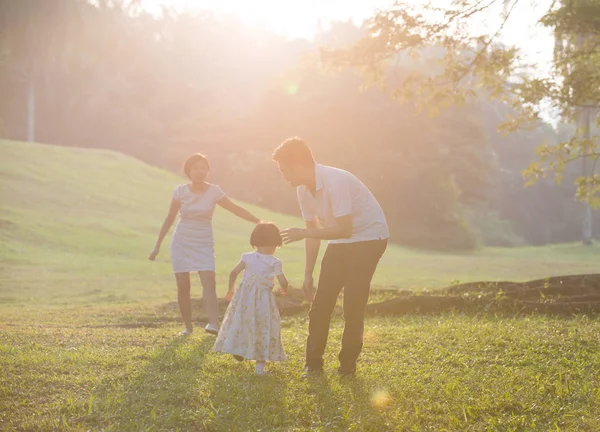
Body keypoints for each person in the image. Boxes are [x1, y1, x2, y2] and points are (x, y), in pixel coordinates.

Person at [273, 137, 389, 377]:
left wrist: (304, 232)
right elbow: (314, 233)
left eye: (285, 171)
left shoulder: (335, 180)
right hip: (340, 239)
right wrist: (308, 273)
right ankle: (313, 365)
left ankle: (347, 368)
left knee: (353, 303)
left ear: (297, 165)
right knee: (321, 305)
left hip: (369, 237)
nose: (284, 177)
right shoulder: (303, 191)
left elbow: (344, 229)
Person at [149, 153, 260, 336]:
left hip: (204, 242)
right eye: (195, 168)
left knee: (209, 281)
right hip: (182, 241)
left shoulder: (214, 191)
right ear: (188, 171)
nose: (200, 171)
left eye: (203, 168)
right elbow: (169, 219)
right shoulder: (180, 191)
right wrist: (157, 246)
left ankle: (214, 324)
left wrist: (258, 221)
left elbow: (234, 208)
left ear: (208, 171)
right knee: (183, 284)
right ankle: (188, 328)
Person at [213, 222, 288, 375]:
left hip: (244, 299)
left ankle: (239, 349)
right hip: (263, 302)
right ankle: (259, 368)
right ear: (276, 243)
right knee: (263, 327)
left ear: (254, 241)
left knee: (241, 322)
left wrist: (230, 289)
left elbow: (233, 273)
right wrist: (284, 288)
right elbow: (283, 281)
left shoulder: (247, 257)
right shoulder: (275, 262)